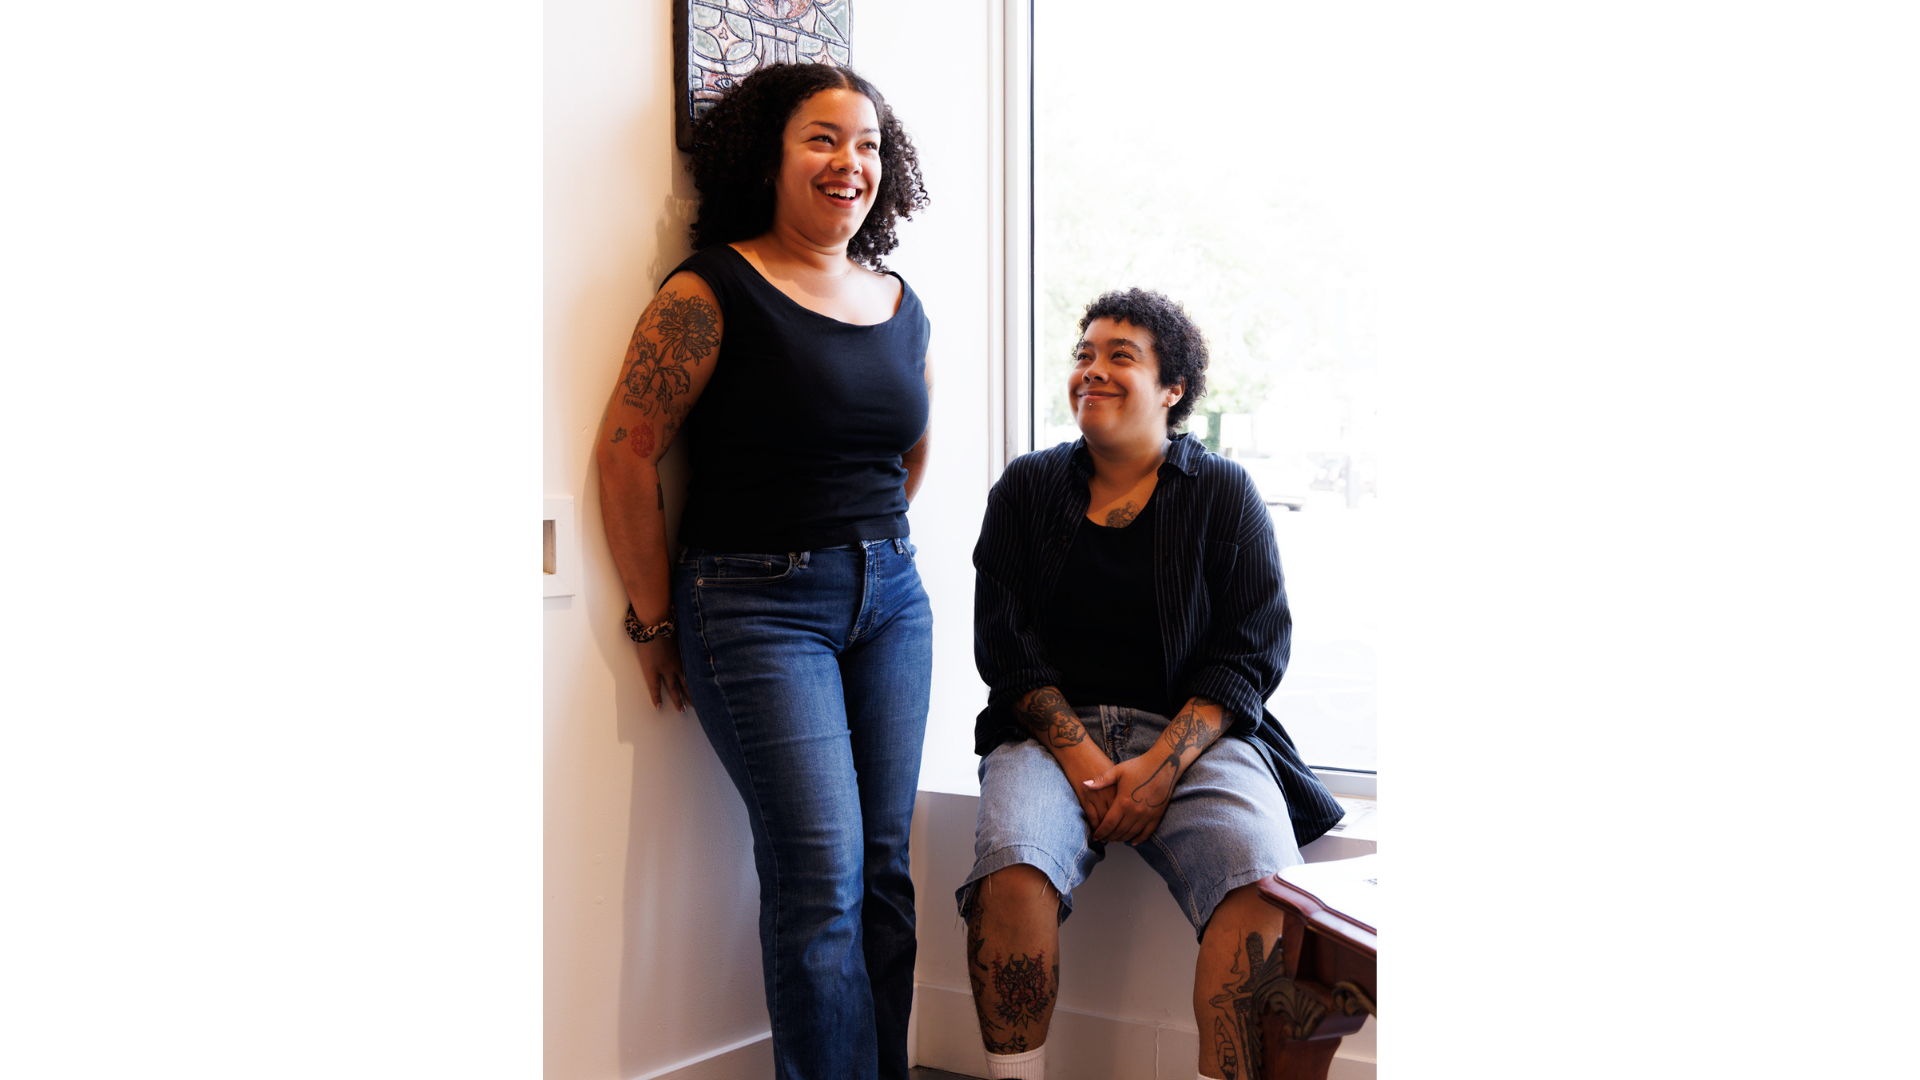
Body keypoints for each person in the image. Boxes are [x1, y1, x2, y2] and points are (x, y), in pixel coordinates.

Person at [594, 62, 933, 1080]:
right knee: (820, 878)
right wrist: (654, 619)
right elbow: (626, 454)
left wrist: (868, 550)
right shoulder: (710, 290)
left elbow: (908, 450)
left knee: (884, 872)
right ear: (767, 158)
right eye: (822, 138)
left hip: (892, 600)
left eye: (868, 144)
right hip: (756, 605)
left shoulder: (901, 301)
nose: (850, 162)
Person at [961, 289, 1345, 1080]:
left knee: (1263, 885)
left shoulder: (1224, 492)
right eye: (1083, 355)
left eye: (1120, 356)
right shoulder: (1026, 488)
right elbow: (1006, 647)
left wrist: (1160, 766)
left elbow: (1250, 650)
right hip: (1048, 735)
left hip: (1196, 736)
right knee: (1012, 866)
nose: (1091, 370)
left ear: (1173, 389)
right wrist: (1085, 762)